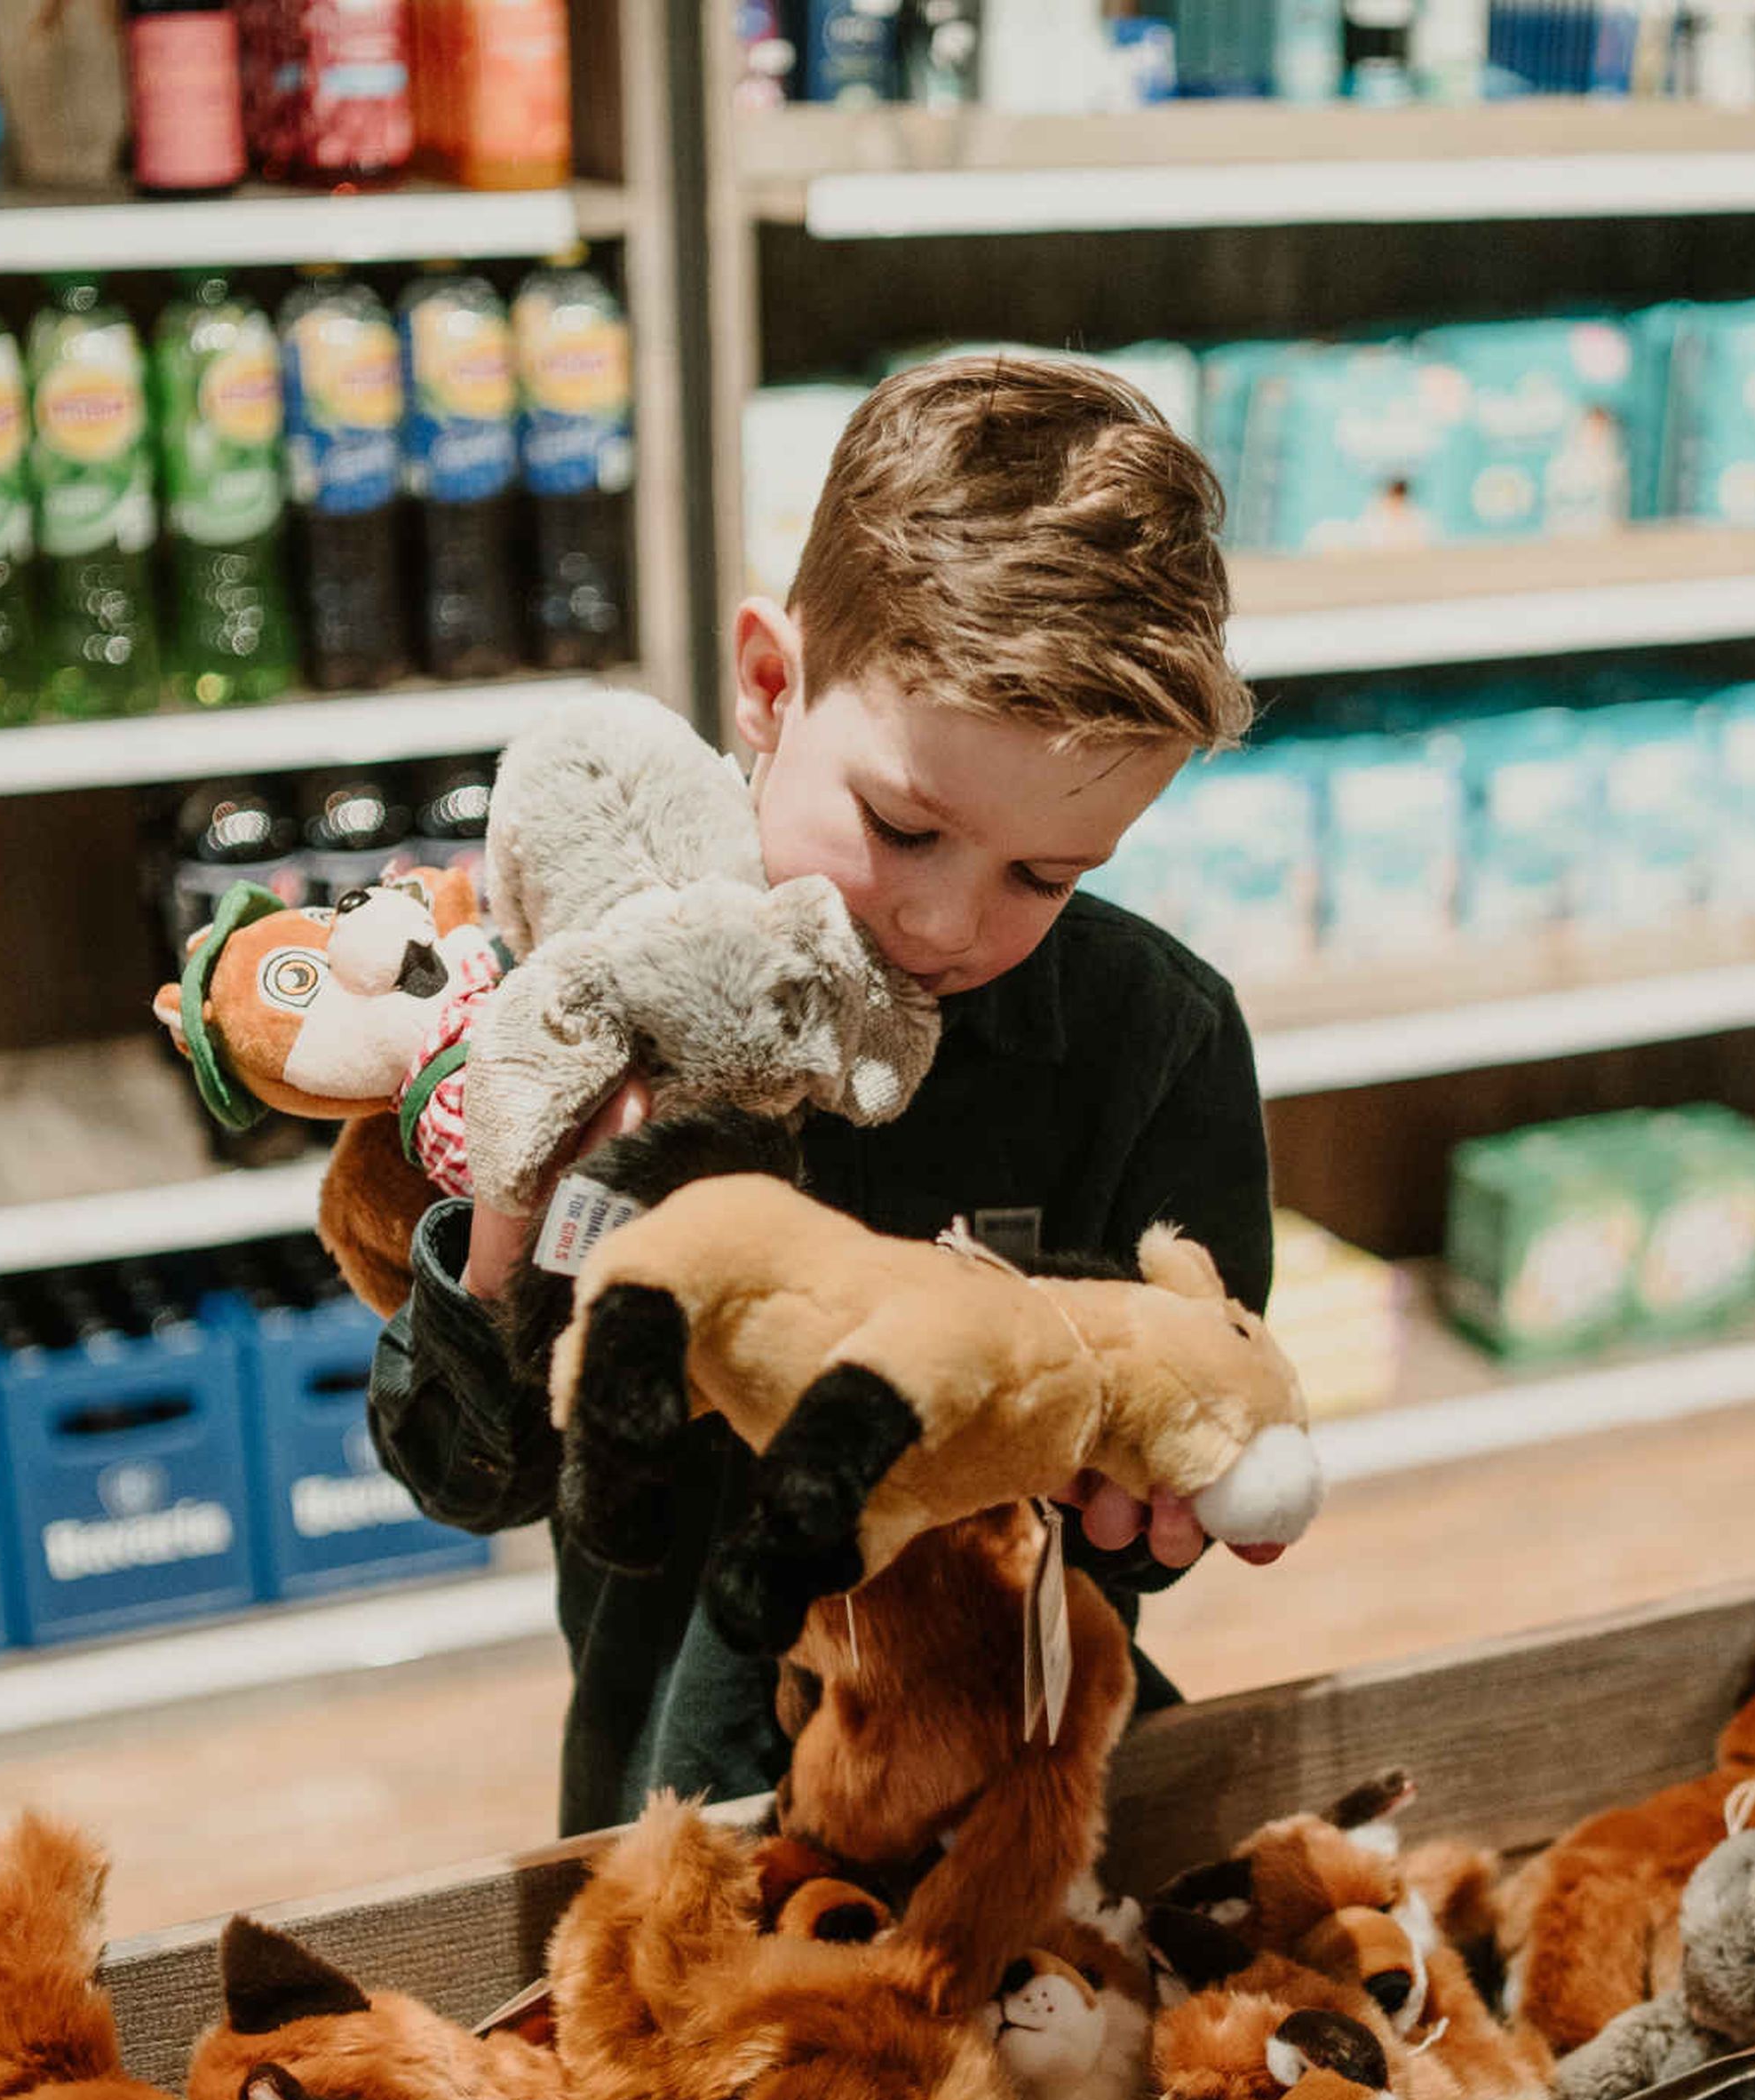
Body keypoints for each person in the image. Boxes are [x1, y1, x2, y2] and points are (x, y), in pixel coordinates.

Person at [369, 352, 1276, 1833]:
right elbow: (466, 1481)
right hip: (669, 1810)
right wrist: (509, 1231)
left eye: (1045, 876)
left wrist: (1157, 1493)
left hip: (1003, 1789)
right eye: (903, 827)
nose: (945, 925)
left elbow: (1185, 1421)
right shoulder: (595, 987)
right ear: (772, 686)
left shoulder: (1154, 1039)